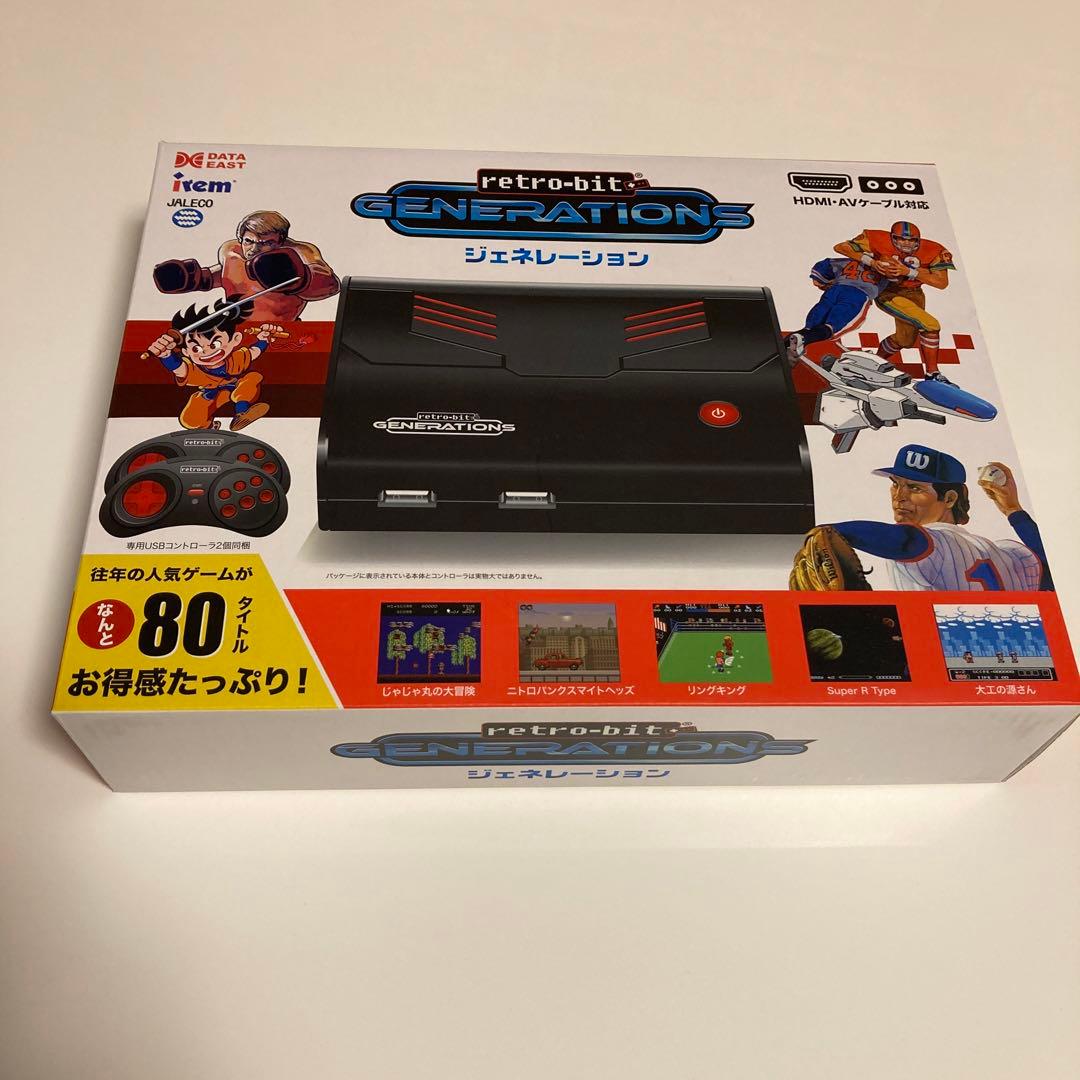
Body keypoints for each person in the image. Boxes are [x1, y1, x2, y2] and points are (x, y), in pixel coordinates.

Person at [825, 444, 1052, 591]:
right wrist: (1014, 510)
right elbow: (1052, 566)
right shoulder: (1004, 553)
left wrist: (830, 531)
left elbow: (906, 541)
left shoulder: (941, 543)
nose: (899, 496)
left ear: (949, 499)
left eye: (914, 488)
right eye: (895, 484)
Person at [152, 210, 339, 321]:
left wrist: (300, 278)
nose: (254, 249)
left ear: (281, 241)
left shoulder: (300, 253)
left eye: (266, 243)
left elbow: (330, 285)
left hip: (279, 331)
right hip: (233, 331)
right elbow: (225, 276)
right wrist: (192, 279)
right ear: (241, 238)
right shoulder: (231, 251)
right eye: (249, 241)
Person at [834, 222, 955, 380]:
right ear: (892, 238)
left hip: (915, 293)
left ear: (918, 240)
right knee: (931, 325)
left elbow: (942, 283)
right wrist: (872, 262)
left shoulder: (934, 249)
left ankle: (876, 361)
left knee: (905, 340)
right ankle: (933, 374)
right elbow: (841, 247)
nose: (906, 243)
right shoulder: (876, 238)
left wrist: (909, 271)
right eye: (901, 239)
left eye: (912, 240)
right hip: (888, 291)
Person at [146, 299, 281, 430]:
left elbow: (254, 351)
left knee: (251, 379)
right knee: (189, 419)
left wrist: (264, 339)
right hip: (211, 394)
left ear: (235, 339)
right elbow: (178, 367)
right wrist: (166, 355)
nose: (206, 351)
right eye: (196, 348)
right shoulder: (193, 370)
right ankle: (209, 427)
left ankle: (242, 412)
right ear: (186, 352)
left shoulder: (235, 359)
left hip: (238, 387)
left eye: (215, 344)